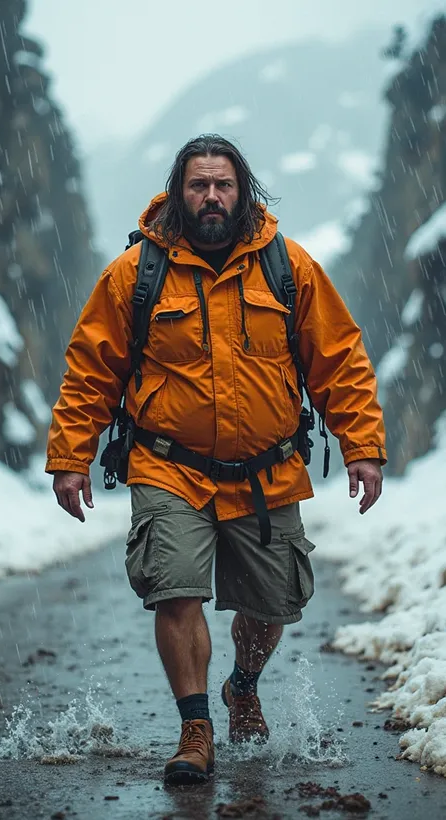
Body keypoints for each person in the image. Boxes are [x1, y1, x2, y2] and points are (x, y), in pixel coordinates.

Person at [46, 134, 386, 786]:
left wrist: (362, 447)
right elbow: (91, 371)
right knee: (174, 590)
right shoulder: (134, 275)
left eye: (222, 185)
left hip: (267, 472)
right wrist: (71, 456)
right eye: (198, 184)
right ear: (179, 192)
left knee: (273, 604)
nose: (210, 196)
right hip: (167, 466)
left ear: (242, 191)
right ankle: (195, 728)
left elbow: (339, 361)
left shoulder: (290, 268)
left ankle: (244, 685)